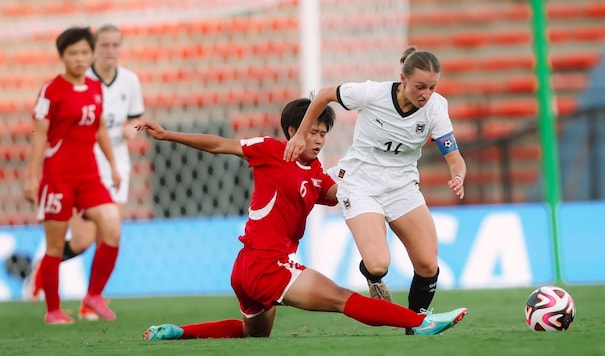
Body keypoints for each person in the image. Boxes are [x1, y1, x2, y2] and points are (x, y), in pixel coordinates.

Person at [138, 98, 467, 340]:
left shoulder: (319, 175)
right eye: (313, 132)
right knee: (342, 299)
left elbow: (345, 195)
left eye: (324, 133)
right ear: (293, 131)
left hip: (249, 268)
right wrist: (168, 136)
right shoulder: (271, 151)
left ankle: (176, 333)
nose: (320, 139)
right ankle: (418, 322)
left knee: (252, 336)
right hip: (266, 264)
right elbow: (220, 144)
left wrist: (368, 167)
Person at [283, 46, 467, 334]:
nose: (426, 94)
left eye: (432, 87)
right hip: (360, 184)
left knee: (428, 264)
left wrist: (458, 175)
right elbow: (323, 95)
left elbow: (454, 157)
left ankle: (416, 322)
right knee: (379, 264)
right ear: (403, 79)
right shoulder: (371, 93)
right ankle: (372, 276)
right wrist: (302, 134)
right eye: (420, 86)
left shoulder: (436, 107)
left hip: (402, 187)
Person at [25, 24, 144, 321]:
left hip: (90, 175)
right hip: (59, 176)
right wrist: (32, 176)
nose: (79, 58)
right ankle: (53, 310)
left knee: (112, 227)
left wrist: (114, 166)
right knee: (60, 244)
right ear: (62, 56)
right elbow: (39, 135)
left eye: (83, 52)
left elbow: (100, 128)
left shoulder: (94, 89)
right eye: (72, 53)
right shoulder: (51, 91)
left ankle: (93, 296)